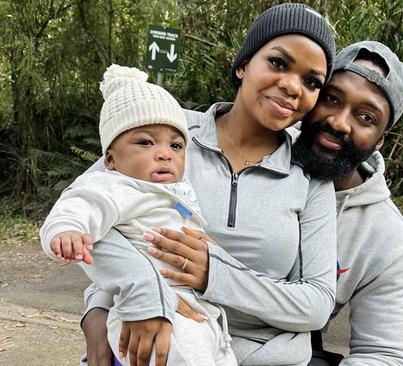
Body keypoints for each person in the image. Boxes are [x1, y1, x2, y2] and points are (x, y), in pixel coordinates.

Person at [80, 3, 338, 366]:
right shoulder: (166, 131)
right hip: (155, 345)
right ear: (244, 64)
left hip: (265, 358)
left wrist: (213, 274)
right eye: (278, 63)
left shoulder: (310, 179)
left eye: (312, 81)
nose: (292, 86)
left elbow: (316, 305)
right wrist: (111, 304)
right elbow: (82, 214)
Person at [40, 65, 237, 366]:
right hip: (147, 312)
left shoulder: (176, 194)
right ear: (110, 159)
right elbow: (79, 204)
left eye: (176, 144)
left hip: (200, 311)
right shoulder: (114, 186)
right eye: (146, 142)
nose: (164, 153)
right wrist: (68, 230)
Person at [290, 41, 403, 366]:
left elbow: (382, 354)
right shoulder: (253, 153)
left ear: (381, 138)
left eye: (365, 116)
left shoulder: (387, 238)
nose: (339, 122)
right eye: (332, 99)